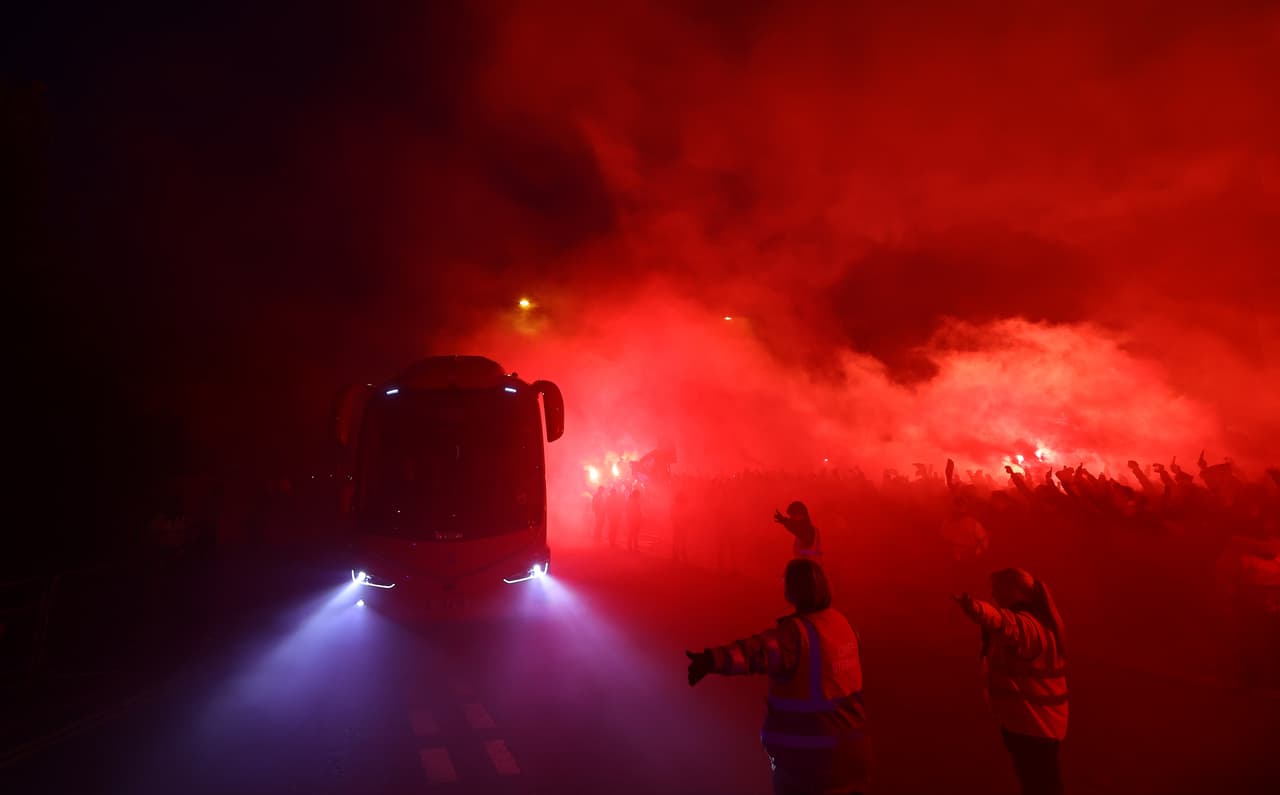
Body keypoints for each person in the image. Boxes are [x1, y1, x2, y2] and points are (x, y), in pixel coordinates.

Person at [686, 558, 870, 795]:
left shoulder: (795, 635)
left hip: (811, 764)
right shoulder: (845, 625)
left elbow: (755, 652)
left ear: (792, 590)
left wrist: (712, 660)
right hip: (855, 754)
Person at [953, 568, 1067, 795]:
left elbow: (1003, 622)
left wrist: (977, 609)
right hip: (1033, 723)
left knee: (1041, 786)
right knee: (1040, 784)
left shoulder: (1029, 627)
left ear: (1013, 591)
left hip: (1035, 725)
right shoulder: (1039, 623)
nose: (993, 595)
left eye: (996, 589)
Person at [626, 486, 644, 552]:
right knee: (633, 533)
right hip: (633, 519)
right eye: (638, 495)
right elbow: (635, 511)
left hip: (634, 519)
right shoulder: (633, 501)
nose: (639, 496)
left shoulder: (632, 501)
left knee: (633, 533)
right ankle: (631, 547)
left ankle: (632, 546)